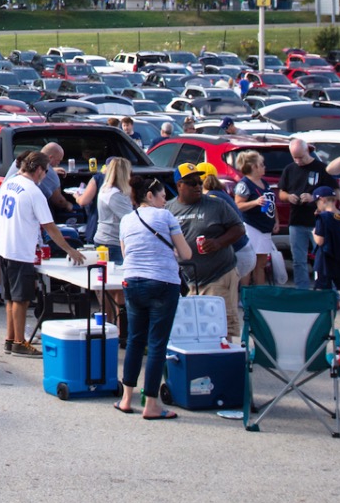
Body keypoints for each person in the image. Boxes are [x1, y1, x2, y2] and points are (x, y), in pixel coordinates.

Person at [0, 150, 85, 357]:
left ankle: (10, 338)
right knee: (21, 299)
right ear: (40, 170)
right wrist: (70, 249)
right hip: (19, 250)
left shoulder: (9, 183)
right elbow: (50, 226)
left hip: (3, 247)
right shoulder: (33, 191)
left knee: (10, 298)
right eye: (46, 172)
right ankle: (19, 341)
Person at [116, 174, 192, 419]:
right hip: (162, 282)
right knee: (157, 343)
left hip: (132, 281)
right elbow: (186, 253)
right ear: (149, 195)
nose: (165, 199)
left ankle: (126, 398)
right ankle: (151, 403)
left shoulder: (126, 220)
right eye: (162, 195)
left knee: (135, 340)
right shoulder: (166, 216)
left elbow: (127, 252)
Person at [170, 162, 246, 341]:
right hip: (190, 279)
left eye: (199, 181)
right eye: (192, 182)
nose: (198, 186)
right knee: (197, 329)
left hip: (219, 274)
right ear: (179, 185)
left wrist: (219, 242)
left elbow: (239, 229)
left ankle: (223, 363)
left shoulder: (216, 204)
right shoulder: (169, 209)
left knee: (220, 329)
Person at [277, 139, 330, 290]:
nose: (298, 161)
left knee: (324, 257)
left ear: (307, 151)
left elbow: (334, 195)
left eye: (300, 157)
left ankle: (327, 289)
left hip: (317, 221)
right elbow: (281, 192)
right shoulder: (289, 169)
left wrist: (314, 198)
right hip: (296, 220)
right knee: (298, 260)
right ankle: (302, 290)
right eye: (295, 157)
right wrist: (289, 197)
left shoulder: (321, 168)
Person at [311, 185, 340, 334]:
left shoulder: (323, 217)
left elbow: (320, 240)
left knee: (321, 292)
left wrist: (313, 232)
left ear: (322, 200)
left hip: (325, 259)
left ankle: (321, 325)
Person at [231, 151, 276, 286]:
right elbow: (238, 205)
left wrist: (276, 220)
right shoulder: (244, 184)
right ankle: (246, 295)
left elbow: (271, 202)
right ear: (253, 167)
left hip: (265, 227)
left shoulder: (264, 182)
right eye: (261, 165)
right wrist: (255, 202)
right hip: (252, 226)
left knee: (261, 263)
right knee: (250, 262)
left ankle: (259, 295)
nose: (264, 167)